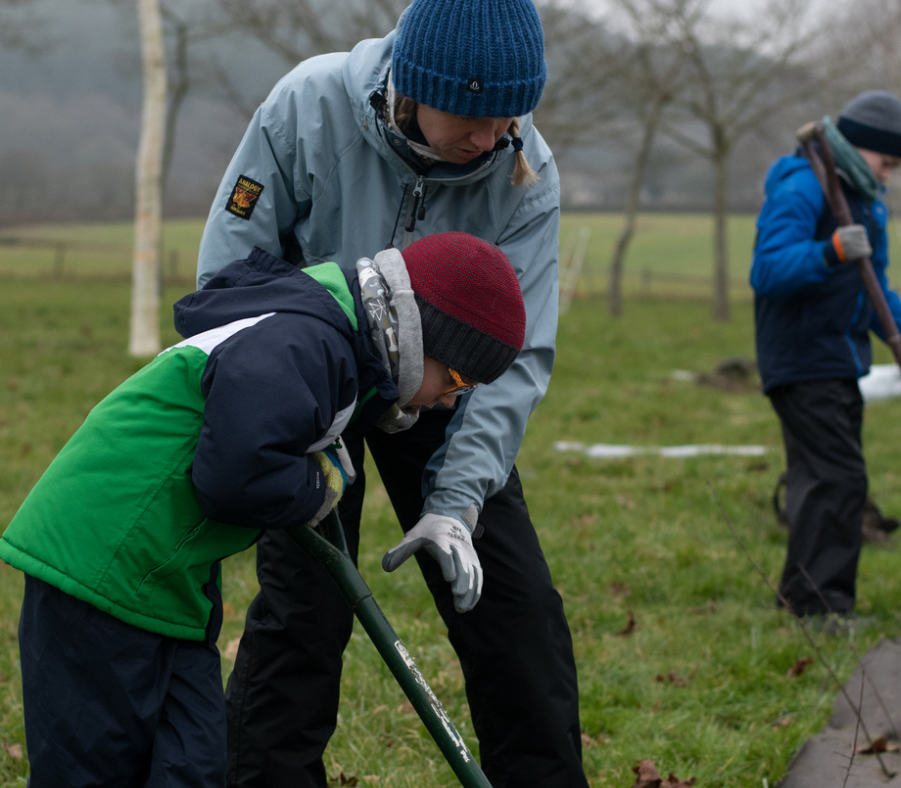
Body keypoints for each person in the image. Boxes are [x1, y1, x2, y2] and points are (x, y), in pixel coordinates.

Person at [195, 1, 588, 786]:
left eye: (508, 115)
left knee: (516, 612)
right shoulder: (307, 108)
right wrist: (281, 410)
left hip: (444, 389)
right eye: (472, 115)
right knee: (304, 610)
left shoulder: (525, 171)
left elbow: (515, 354)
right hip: (312, 386)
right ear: (414, 85)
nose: (493, 135)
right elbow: (229, 278)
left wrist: (460, 502)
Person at [1, 231, 527, 787]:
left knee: (193, 766)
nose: (449, 400)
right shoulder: (304, 340)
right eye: (458, 379)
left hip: (167, 580)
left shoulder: (333, 347)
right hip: (102, 566)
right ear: (417, 335)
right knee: (96, 767)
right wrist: (318, 486)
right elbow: (235, 475)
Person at [751, 90, 901, 619]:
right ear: (860, 148)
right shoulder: (804, 186)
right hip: (801, 358)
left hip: (837, 359)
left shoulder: (861, 199)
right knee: (837, 480)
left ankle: (805, 597)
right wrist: (829, 251)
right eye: (888, 163)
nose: (890, 176)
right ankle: (820, 607)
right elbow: (767, 271)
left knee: (826, 478)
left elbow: (874, 288)